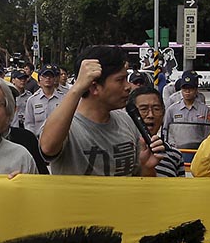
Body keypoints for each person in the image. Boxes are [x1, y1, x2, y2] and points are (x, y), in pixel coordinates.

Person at [39, 45, 164, 177]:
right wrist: (78, 88)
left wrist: (147, 167)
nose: (128, 87)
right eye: (120, 80)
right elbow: (48, 147)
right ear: (94, 87)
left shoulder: (127, 121)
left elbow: (140, 184)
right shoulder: (66, 125)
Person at [128, 87, 185, 177]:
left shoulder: (175, 155)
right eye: (143, 109)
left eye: (156, 109)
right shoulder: (122, 152)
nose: (150, 115)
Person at [163, 73, 210, 150]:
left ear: (196, 90)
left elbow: (208, 131)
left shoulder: (205, 110)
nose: (187, 91)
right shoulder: (172, 109)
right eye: (184, 89)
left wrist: (204, 148)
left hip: (198, 150)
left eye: (191, 88)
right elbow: (166, 130)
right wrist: (171, 145)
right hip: (177, 149)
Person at [23, 63, 64, 136]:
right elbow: (29, 124)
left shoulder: (63, 99)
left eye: (51, 76)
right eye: (45, 76)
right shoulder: (32, 100)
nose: (48, 78)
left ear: (54, 79)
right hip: (38, 140)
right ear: (40, 79)